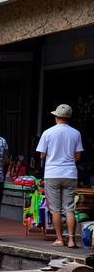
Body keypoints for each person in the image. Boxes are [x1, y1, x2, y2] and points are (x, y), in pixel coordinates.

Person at [37, 103, 84, 248]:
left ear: (57, 117)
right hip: (70, 173)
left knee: (55, 209)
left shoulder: (48, 133)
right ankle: (71, 240)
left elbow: (42, 155)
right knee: (69, 208)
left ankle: (59, 239)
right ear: (68, 118)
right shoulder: (76, 133)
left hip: (52, 173)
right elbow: (78, 157)